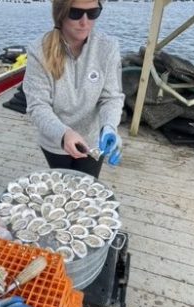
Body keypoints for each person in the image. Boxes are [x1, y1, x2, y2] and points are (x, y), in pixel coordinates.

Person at [23, 0, 124, 179]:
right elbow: (37, 106)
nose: (85, 22)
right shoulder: (38, 51)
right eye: (75, 13)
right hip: (55, 140)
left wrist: (109, 127)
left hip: (93, 141)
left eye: (93, 13)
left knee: (89, 184)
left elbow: (112, 97)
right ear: (60, 14)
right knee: (62, 183)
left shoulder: (108, 47)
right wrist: (64, 133)